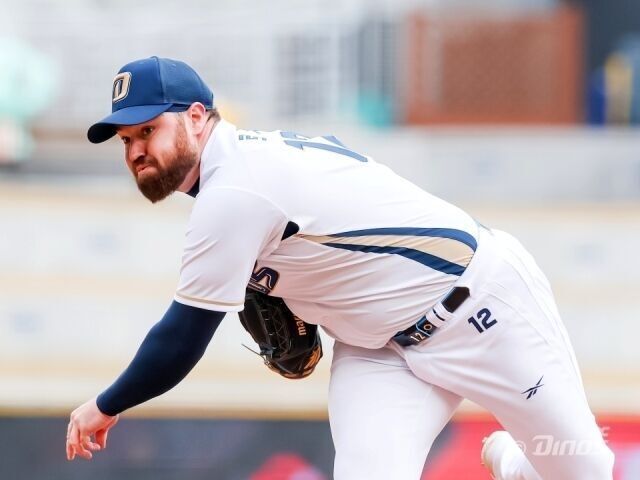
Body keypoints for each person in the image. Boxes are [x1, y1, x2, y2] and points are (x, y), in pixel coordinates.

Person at [66, 56, 614, 480]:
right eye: (126, 140)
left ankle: (517, 463)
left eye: (148, 130)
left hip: (480, 307)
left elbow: (182, 337)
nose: (135, 151)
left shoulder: (233, 190)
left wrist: (105, 405)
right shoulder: (242, 168)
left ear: (195, 117)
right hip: (380, 351)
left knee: (586, 473)